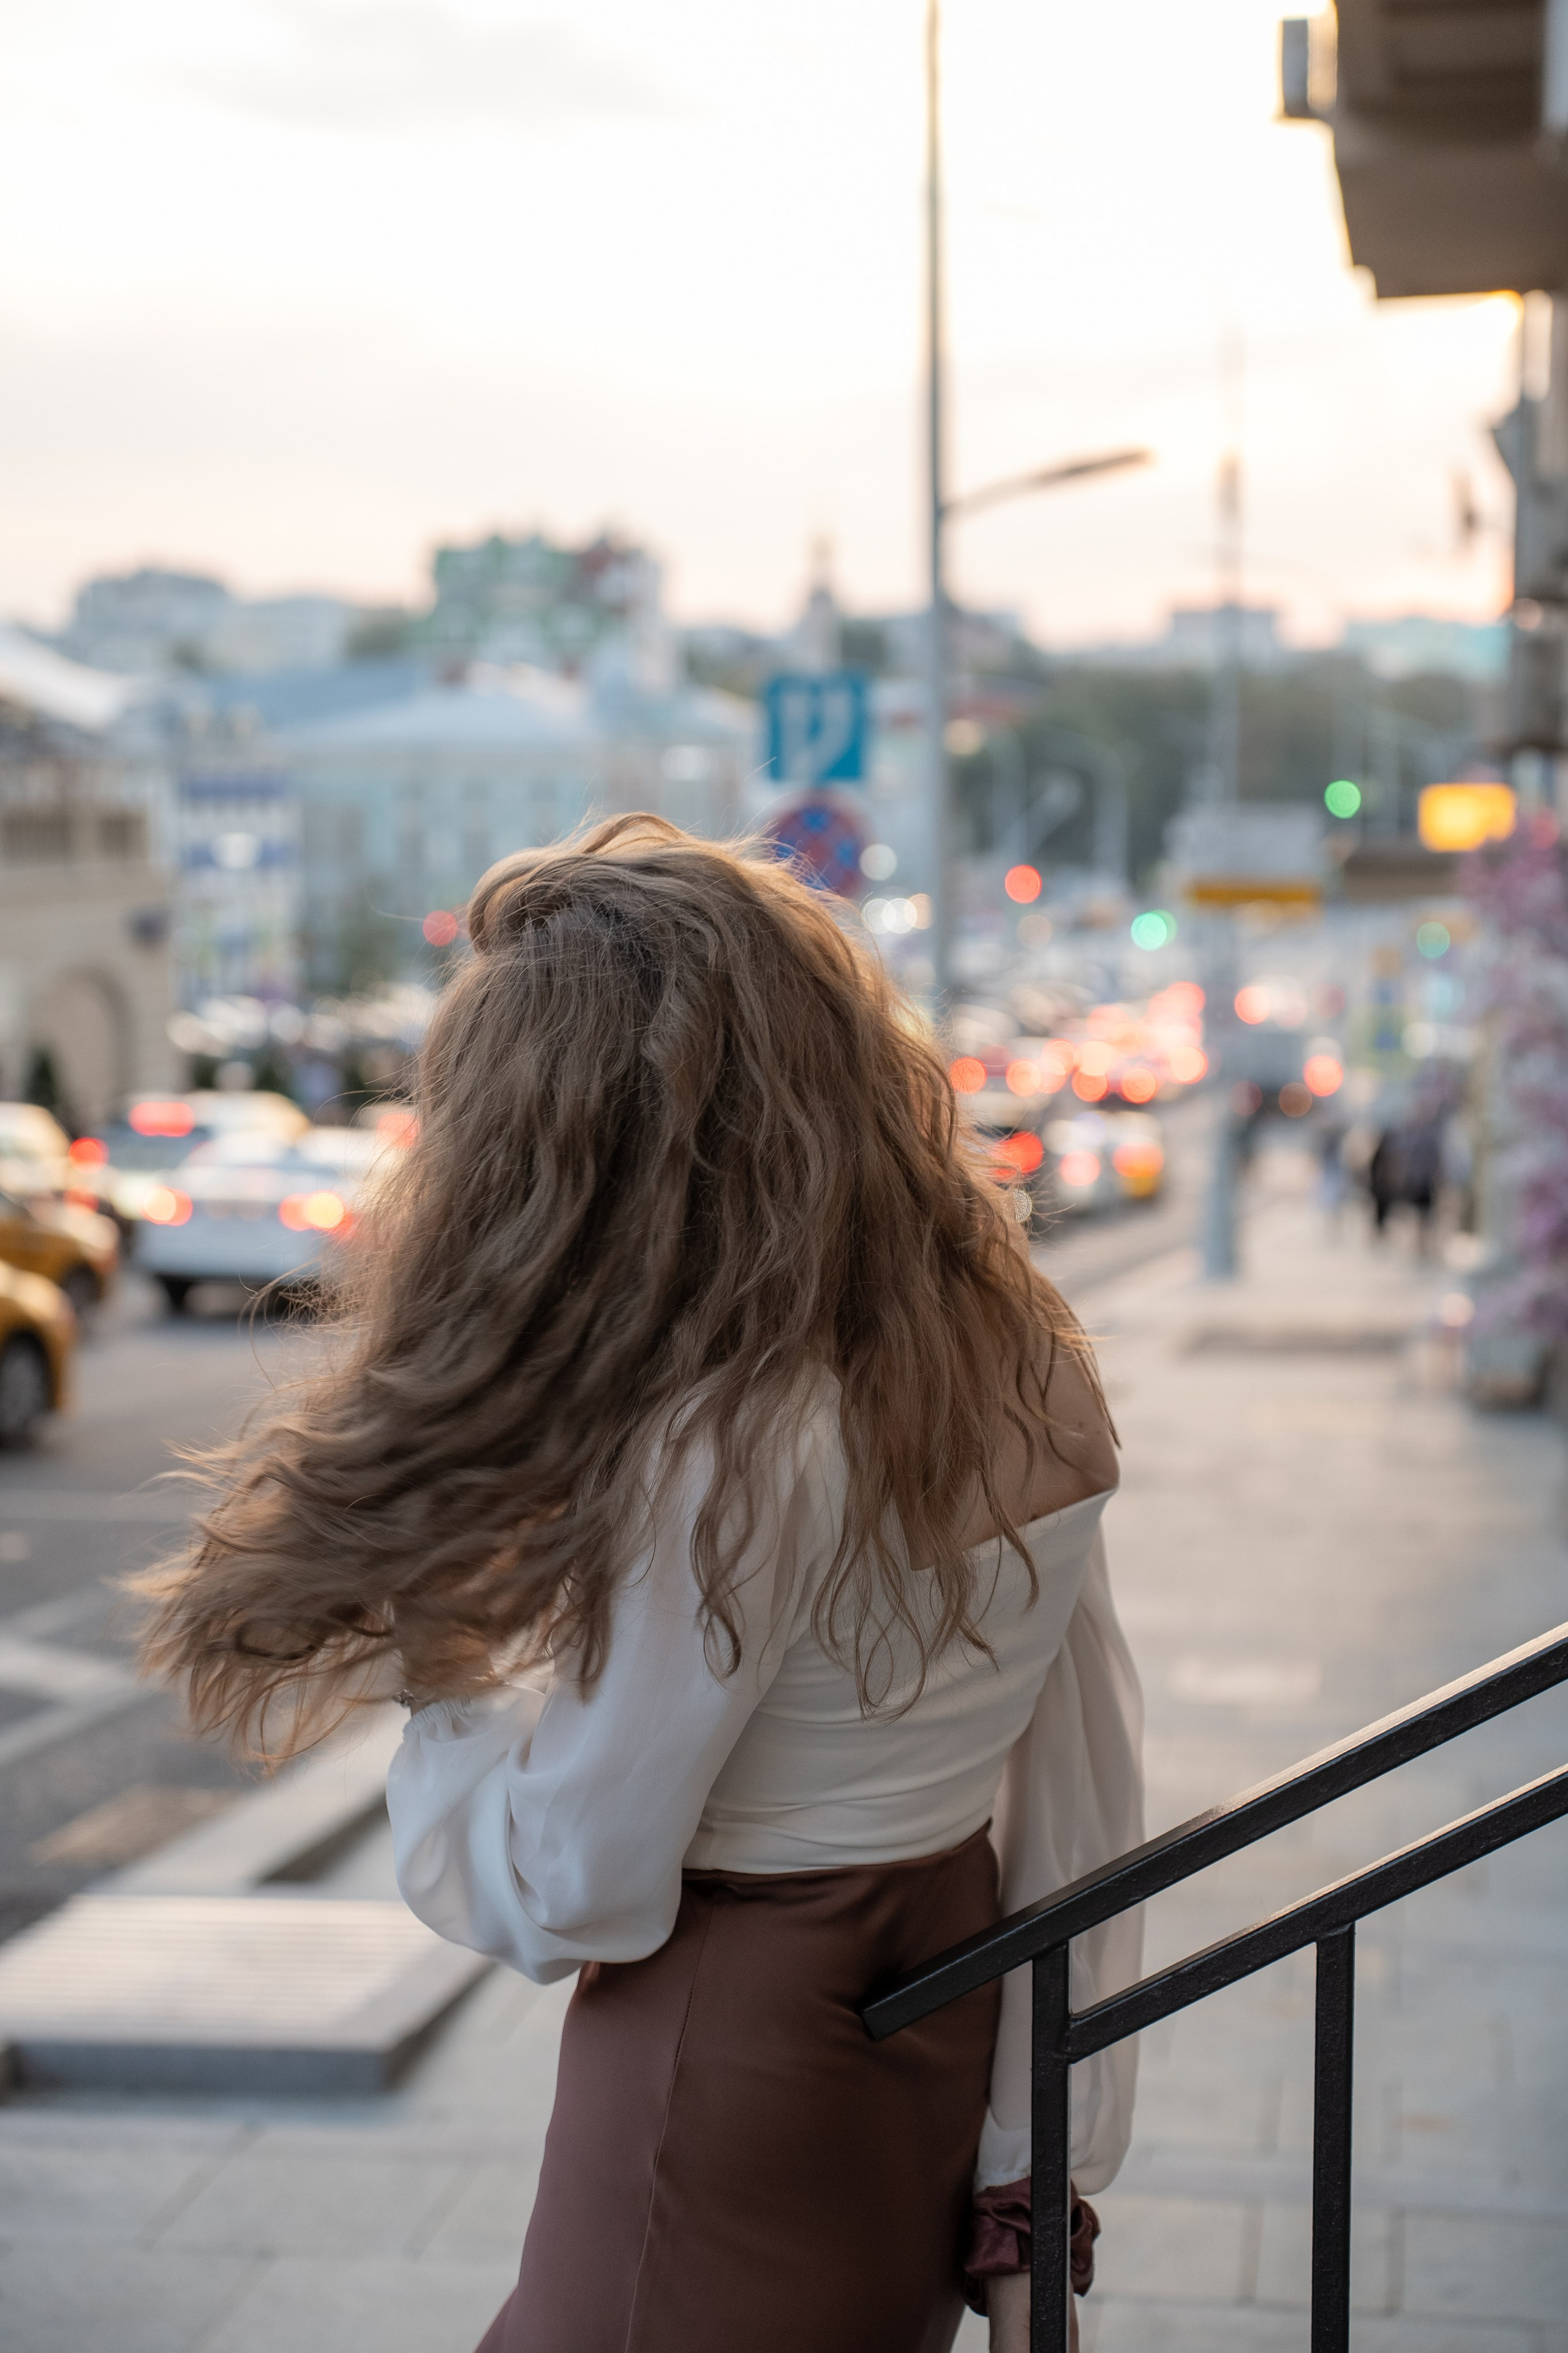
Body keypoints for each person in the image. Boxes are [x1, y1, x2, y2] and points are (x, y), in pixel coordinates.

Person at [138, 817, 1143, 2353]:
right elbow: (1080, 1785)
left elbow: (577, 1885)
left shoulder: (731, 1438)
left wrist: (444, 1684)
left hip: (721, 2065)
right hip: (929, 2027)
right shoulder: (1017, 1344)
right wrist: (1033, 2171)